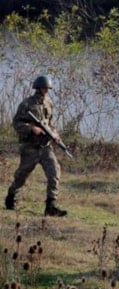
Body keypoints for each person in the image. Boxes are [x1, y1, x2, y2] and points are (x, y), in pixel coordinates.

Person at [5, 75, 68, 216]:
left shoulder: (49, 103)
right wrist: (31, 128)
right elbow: (16, 123)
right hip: (30, 147)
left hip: (45, 147)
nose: (46, 90)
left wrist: (55, 135)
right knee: (21, 176)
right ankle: (11, 195)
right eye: (44, 88)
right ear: (38, 88)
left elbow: (50, 123)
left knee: (54, 173)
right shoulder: (26, 104)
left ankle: (51, 206)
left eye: (47, 88)